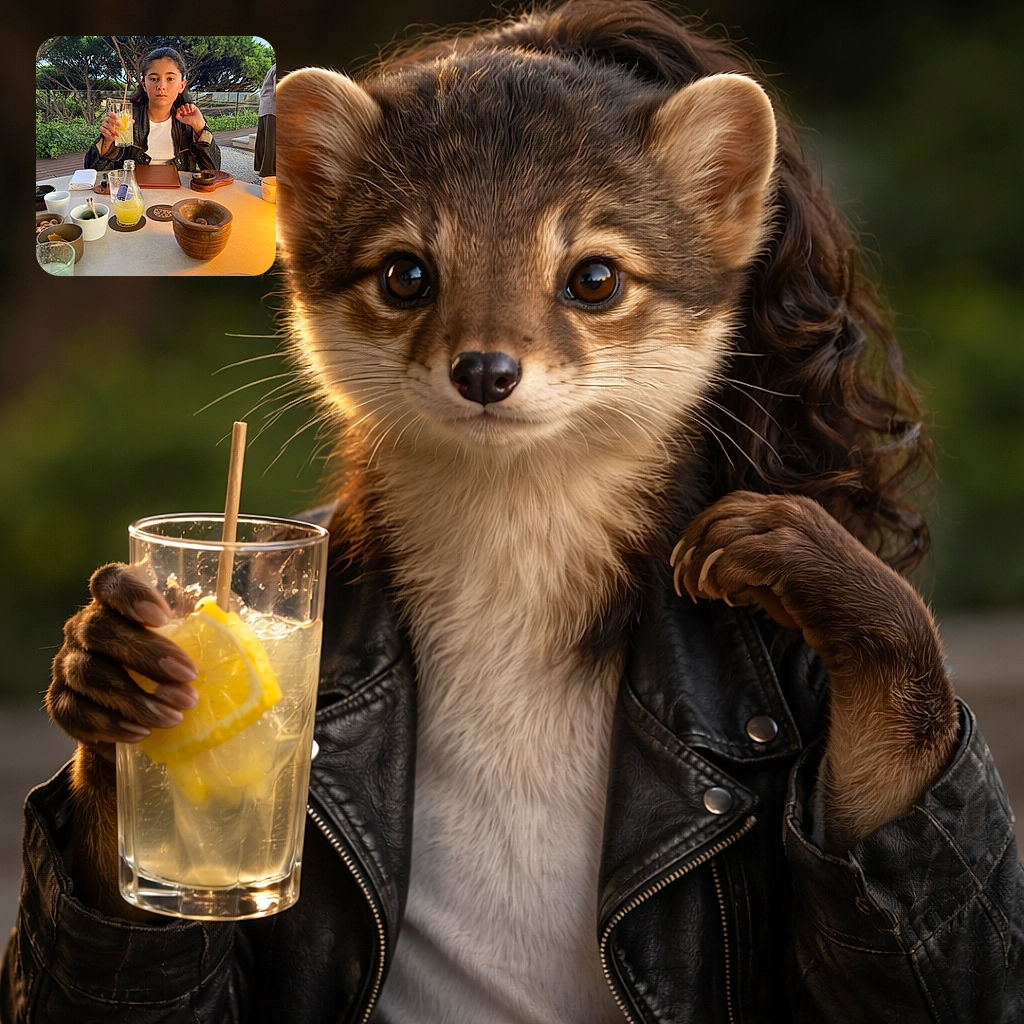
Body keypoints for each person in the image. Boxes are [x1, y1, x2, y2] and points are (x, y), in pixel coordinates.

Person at [4, 3, 1023, 1022]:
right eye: (409, 276)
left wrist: (894, 661)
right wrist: (120, 767)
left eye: (590, 281)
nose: (486, 350)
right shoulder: (256, 631)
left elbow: (961, 998)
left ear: (723, 207)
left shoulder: (787, 633)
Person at [84, 46, 220, 172]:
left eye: (170, 78)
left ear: (182, 85)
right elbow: (93, 171)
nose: (161, 86)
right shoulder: (126, 119)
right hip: (134, 193)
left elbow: (213, 171)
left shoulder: (190, 121)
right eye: (154, 79)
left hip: (179, 195)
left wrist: (201, 129)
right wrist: (107, 142)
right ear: (144, 85)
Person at [254, 63, 276, 178]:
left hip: (265, 106)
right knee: (271, 141)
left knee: (263, 140)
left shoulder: (273, 67)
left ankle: (259, 168)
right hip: (273, 108)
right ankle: (268, 172)